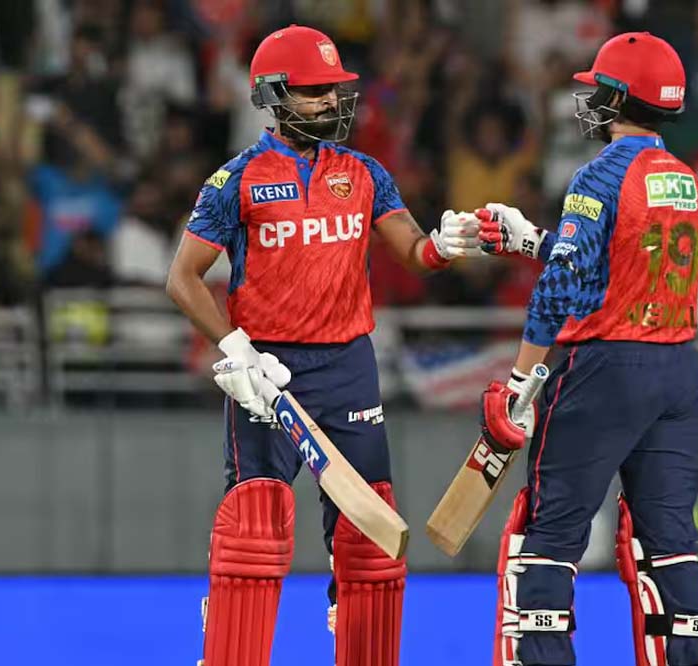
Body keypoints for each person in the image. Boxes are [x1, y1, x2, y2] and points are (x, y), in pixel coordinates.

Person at [165, 25, 480, 666]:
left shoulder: (363, 173)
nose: (330, 102)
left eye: (333, 90)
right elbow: (182, 278)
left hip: (347, 366)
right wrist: (237, 349)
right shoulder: (237, 180)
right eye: (313, 92)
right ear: (273, 96)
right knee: (254, 527)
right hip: (268, 370)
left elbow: (413, 250)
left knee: (370, 542)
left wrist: (443, 247)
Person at [475, 32, 698, 666]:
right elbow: (619, 264)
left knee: (547, 536)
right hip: (676, 368)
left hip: (604, 369)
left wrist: (521, 379)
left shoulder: (600, 172)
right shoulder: (684, 178)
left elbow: (562, 286)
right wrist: (533, 240)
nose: (590, 99)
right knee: (670, 545)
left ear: (620, 98)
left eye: (599, 89)